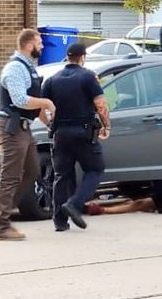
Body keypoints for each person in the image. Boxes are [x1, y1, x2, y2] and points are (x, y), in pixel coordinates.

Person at [0, 28, 56, 241]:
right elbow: (20, 100)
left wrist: (49, 122)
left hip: (23, 127)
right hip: (12, 127)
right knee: (10, 176)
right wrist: (46, 102)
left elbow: (32, 104)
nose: (43, 46)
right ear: (29, 45)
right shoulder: (15, 69)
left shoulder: (29, 68)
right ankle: (1, 226)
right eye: (40, 43)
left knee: (32, 170)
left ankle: (0, 210)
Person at [41, 43, 111, 232]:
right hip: (83, 132)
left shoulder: (52, 79)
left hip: (60, 134)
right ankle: (74, 204)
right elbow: (101, 104)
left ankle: (59, 221)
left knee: (62, 176)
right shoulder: (87, 76)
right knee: (95, 169)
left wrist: (49, 125)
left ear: (68, 57)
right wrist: (106, 126)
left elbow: (41, 107)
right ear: (82, 57)